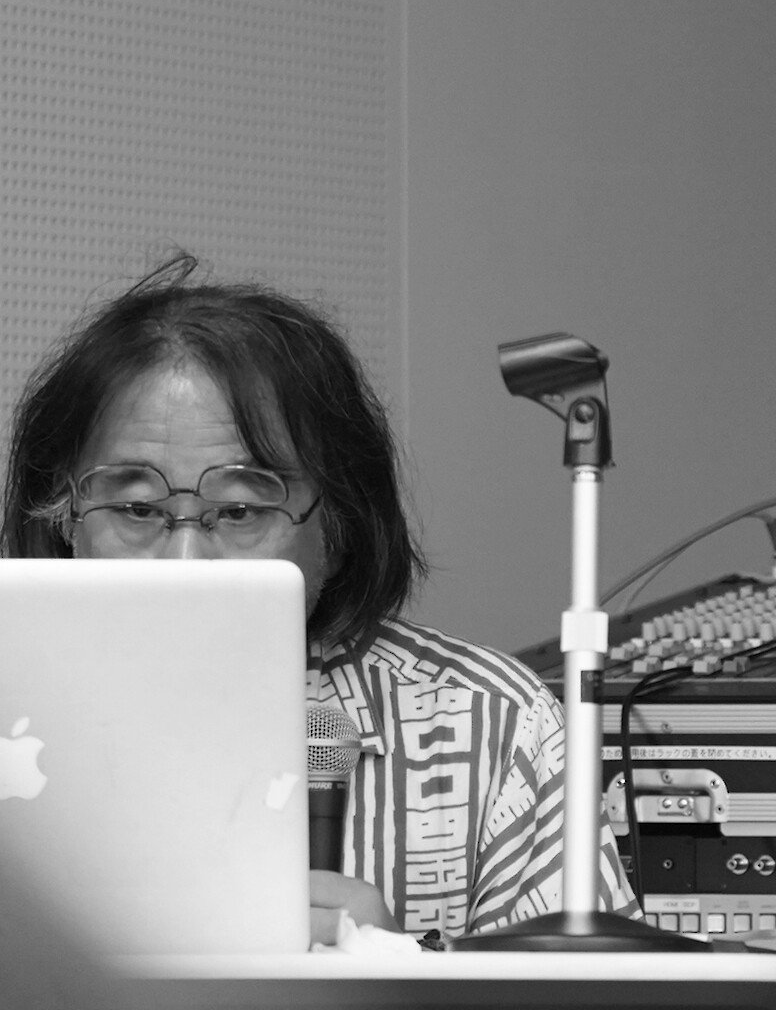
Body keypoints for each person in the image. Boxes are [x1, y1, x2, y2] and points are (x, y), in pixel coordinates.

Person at [1, 253, 639, 945]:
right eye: (136, 509)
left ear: (338, 530)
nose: (185, 564)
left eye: (240, 511)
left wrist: (400, 978)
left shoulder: (492, 728)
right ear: (62, 518)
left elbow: (595, 994)